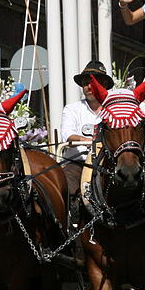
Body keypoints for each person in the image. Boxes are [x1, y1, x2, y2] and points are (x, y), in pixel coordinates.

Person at [60, 61, 114, 200]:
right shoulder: (72, 109)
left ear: (105, 85)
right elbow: (67, 135)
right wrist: (88, 141)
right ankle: (71, 219)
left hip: (109, 164)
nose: (89, 87)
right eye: (85, 83)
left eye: (94, 82)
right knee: (65, 186)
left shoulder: (114, 110)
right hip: (78, 163)